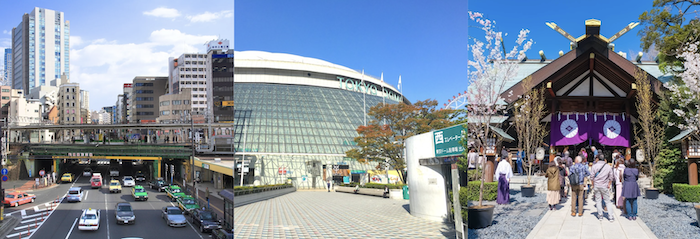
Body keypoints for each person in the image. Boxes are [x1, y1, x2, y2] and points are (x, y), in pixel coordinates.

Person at [590, 154, 616, 222]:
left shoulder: (594, 166)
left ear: (598, 159)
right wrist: (609, 184)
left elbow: (592, 177)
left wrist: (593, 185)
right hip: (604, 185)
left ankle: (600, 215)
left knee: (598, 201)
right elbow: (611, 177)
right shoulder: (608, 166)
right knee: (607, 201)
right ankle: (610, 216)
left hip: (596, 185)